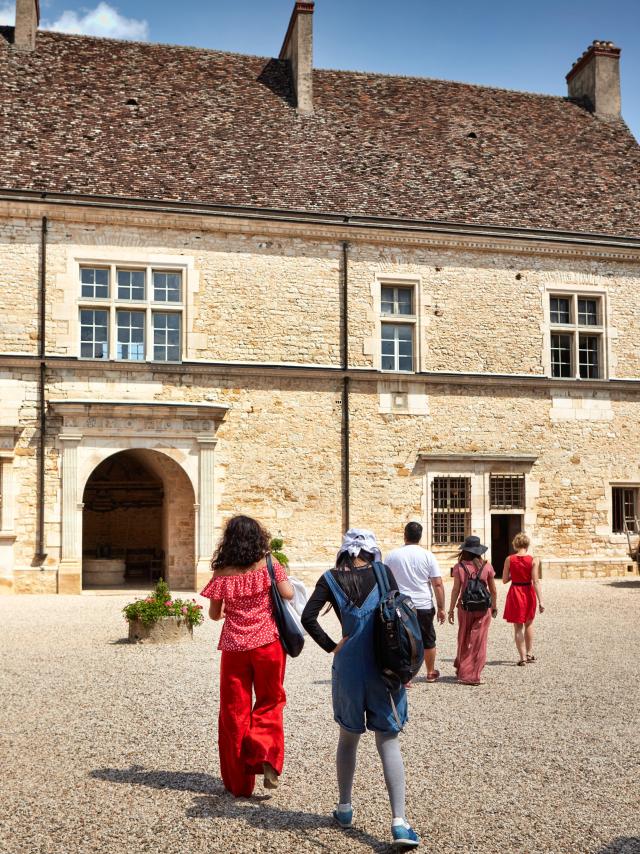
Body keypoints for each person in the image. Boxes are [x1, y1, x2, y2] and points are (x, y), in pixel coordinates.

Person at [301, 529, 420, 849]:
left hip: (349, 669)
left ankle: (344, 808)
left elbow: (307, 617)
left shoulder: (329, 578)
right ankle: (399, 822)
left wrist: (332, 646)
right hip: (384, 667)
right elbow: (398, 613)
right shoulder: (383, 573)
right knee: (388, 741)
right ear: (371, 552)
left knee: (348, 737)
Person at [201, 515, 294, 797]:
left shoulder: (221, 571)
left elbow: (214, 614)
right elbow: (288, 594)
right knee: (270, 701)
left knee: (233, 712)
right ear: (258, 537)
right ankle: (265, 755)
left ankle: (239, 785)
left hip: (233, 648)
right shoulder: (268, 564)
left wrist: (231, 607)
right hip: (267, 644)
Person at [385, 521, 445, 683]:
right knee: (428, 639)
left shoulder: (392, 555)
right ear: (420, 536)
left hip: (401, 606)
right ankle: (431, 672)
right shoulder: (428, 555)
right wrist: (441, 608)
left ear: (405, 535)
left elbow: (385, 581)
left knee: (401, 639)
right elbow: (437, 583)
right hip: (423, 604)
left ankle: (406, 677)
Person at [447, 535, 498, 686]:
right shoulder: (487, 566)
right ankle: (472, 674)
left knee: (463, 637)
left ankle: (461, 668)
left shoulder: (459, 567)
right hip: (483, 608)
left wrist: (450, 610)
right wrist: (494, 606)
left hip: (465, 607)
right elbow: (493, 590)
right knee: (478, 640)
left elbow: (455, 590)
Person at [502, 532, 545, 665]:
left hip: (515, 591)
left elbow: (504, 580)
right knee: (529, 623)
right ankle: (529, 653)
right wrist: (541, 601)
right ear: (527, 544)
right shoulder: (533, 560)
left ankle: (522, 658)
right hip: (528, 591)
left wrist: (513, 576)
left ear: (515, 544)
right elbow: (536, 581)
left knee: (518, 627)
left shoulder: (509, 559)